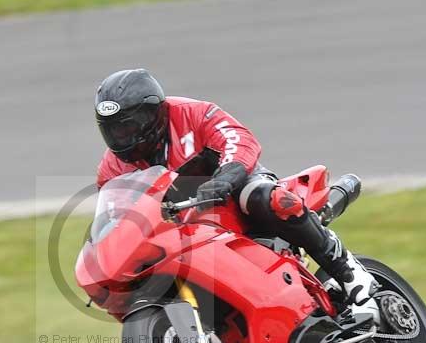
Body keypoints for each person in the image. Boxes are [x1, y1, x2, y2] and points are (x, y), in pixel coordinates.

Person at [94, 69, 377, 305]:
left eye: (128, 127)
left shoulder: (194, 113)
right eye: (112, 130)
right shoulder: (111, 168)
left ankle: (348, 271)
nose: (121, 137)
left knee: (262, 198)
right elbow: (116, 217)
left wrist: (225, 178)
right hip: (182, 227)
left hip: (233, 189)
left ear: (153, 114)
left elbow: (239, 139)